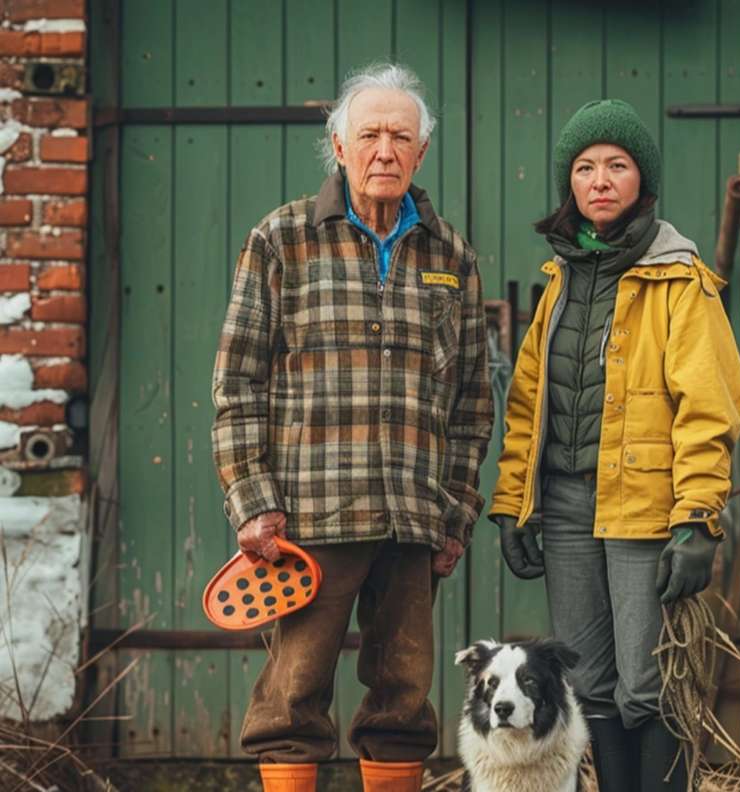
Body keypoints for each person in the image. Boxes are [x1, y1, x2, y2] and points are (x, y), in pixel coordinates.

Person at [211, 62, 492, 792]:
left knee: (403, 699)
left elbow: (471, 401)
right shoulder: (282, 239)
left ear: (421, 152)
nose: (384, 151)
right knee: (292, 700)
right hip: (309, 519)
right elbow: (237, 382)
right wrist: (253, 502)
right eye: (369, 135)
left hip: (412, 519)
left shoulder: (451, 256)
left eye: (401, 137)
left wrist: (456, 514)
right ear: (338, 146)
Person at [488, 98, 740, 791]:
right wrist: (514, 504)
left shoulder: (680, 281)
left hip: (644, 507)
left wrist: (699, 518)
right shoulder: (560, 281)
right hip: (567, 509)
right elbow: (528, 403)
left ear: (643, 180)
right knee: (589, 684)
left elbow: (709, 408)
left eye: (617, 165)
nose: (599, 180)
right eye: (584, 167)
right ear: (569, 184)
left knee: (649, 684)